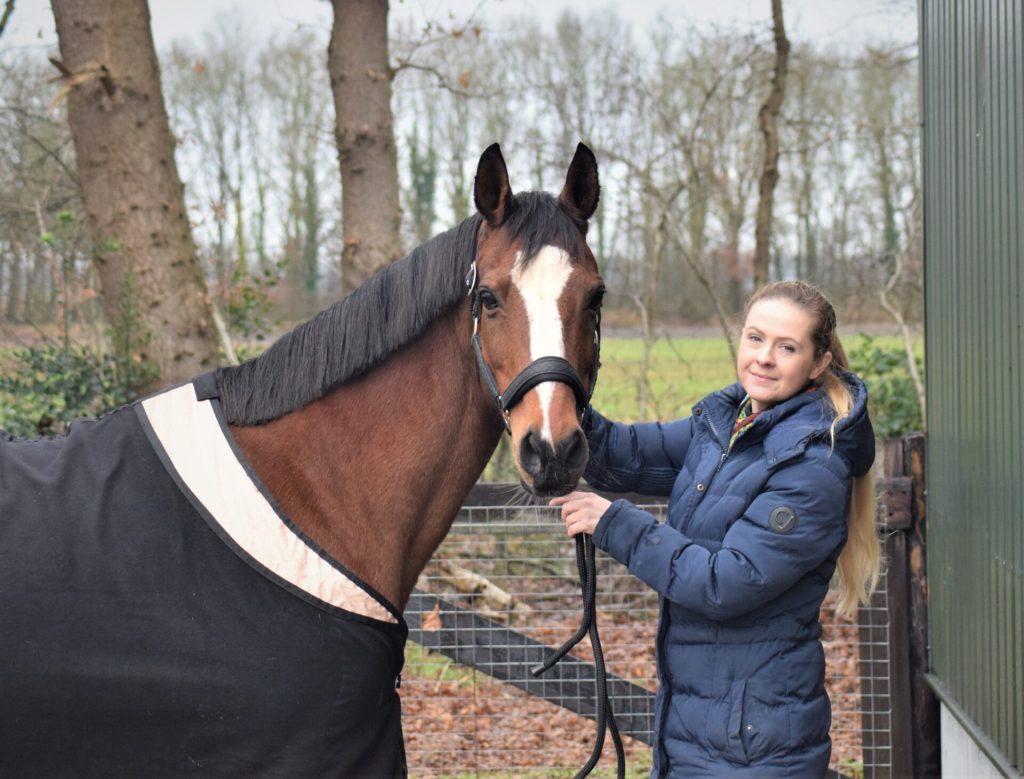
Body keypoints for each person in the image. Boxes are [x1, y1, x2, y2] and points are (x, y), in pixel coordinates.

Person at [552, 281, 880, 778]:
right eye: (755, 338)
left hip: (754, 747)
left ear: (818, 363)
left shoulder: (814, 466)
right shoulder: (727, 425)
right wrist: (552, 393)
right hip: (701, 728)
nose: (764, 357)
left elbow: (725, 582)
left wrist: (614, 523)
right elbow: (624, 455)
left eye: (786, 347)